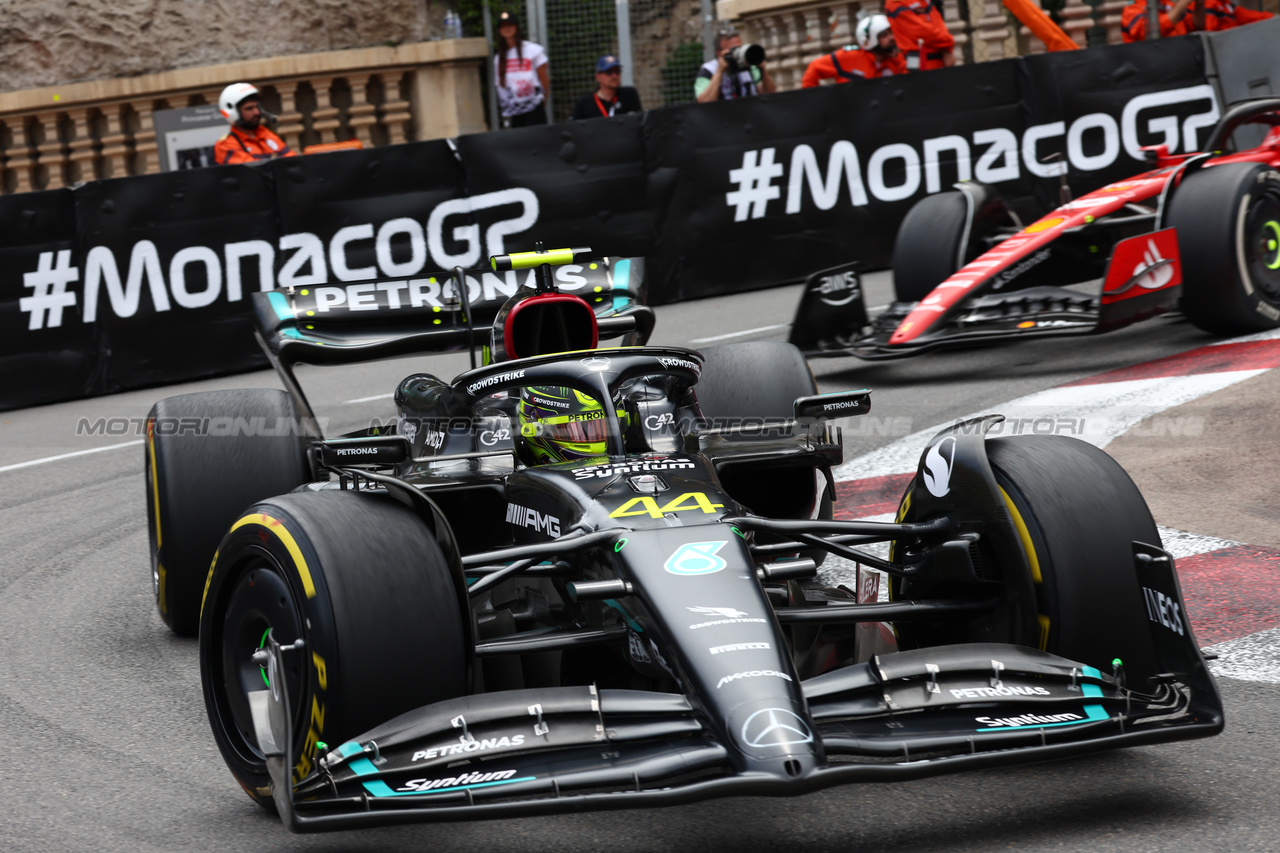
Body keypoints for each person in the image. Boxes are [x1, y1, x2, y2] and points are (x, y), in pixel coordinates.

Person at [801, 15, 908, 87]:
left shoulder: (897, 60)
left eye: (891, 33)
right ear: (868, 40)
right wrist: (812, 101)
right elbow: (815, 67)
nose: (892, 37)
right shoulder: (848, 57)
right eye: (884, 35)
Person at [213, 83, 297, 165]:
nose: (257, 112)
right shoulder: (225, 145)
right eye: (249, 108)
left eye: (257, 107)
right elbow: (253, 173)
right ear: (233, 113)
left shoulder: (265, 133)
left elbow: (292, 161)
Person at [494, 10, 551, 128]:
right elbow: (500, 85)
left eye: (510, 25)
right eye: (503, 26)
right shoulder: (499, 58)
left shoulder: (533, 50)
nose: (507, 28)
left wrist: (540, 102)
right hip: (513, 111)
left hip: (534, 107)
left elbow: (544, 80)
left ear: (516, 27)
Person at [695, 30, 777, 103]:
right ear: (719, 54)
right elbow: (704, 102)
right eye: (733, 50)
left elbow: (769, 95)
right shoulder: (709, 70)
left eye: (739, 48)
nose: (737, 53)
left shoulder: (748, 66)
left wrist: (762, 69)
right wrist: (719, 72)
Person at [883, 0, 956, 70]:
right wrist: (948, 44)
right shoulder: (896, 2)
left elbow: (939, 25)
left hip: (938, 59)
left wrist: (947, 49)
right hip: (919, 62)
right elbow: (921, 31)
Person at [572, 55, 643, 120]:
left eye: (617, 71)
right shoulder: (584, 103)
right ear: (597, 77)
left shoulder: (629, 95)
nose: (614, 76)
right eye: (609, 72)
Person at [1121, 0, 1198, 41]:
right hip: (1151, 66)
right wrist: (1182, 3)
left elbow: (1195, 26)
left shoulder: (1168, 4)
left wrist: (1200, 4)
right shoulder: (1131, 9)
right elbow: (1150, 32)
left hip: (1180, 59)